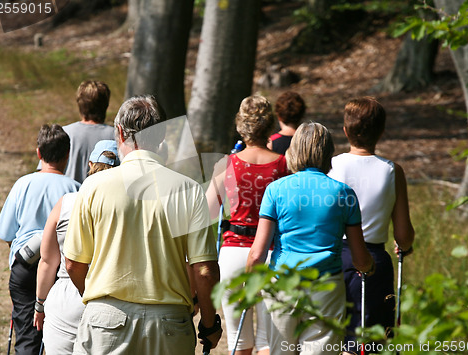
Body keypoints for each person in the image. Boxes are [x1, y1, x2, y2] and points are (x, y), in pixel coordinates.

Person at [63, 95, 222, 354]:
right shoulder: (190, 190)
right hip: (169, 324)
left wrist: (96, 299)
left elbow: (73, 263)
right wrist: (208, 323)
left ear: (119, 132)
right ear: (161, 137)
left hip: (106, 320)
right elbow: (204, 270)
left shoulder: (93, 186)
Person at [247, 122, 375, 355]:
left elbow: (257, 253)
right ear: (328, 152)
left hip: (283, 286)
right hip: (326, 289)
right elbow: (360, 258)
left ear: (294, 150)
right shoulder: (344, 193)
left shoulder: (276, 190)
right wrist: (370, 267)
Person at [328, 97, 415, 355]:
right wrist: (405, 245)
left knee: (333, 338)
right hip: (374, 259)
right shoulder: (392, 171)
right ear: (381, 132)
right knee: (370, 343)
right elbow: (403, 235)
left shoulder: (331, 166)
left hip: (335, 257)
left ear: (345, 131)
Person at [206, 95, 289, 355]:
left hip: (233, 251)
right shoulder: (283, 165)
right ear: (270, 125)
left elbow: (207, 212)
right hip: (271, 253)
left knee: (238, 341)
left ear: (241, 125)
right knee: (267, 340)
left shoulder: (227, 164)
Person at [0, 124, 80, 355]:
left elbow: (6, 234)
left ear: (39, 153)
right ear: (68, 155)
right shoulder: (76, 190)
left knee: (26, 332)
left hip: (25, 266)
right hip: (60, 270)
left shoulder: (23, 184)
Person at [33, 140, 120, 354]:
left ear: (90, 164)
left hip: (66, 299)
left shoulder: (66, 202)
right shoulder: (128, 207)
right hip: (109, 299)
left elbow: (47, 261)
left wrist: (40, 305)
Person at [38, 80, 114, 183]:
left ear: (80, 104)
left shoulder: (62, 134)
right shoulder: (117, 137)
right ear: (106, 105)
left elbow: (46, 171)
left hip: (67, 196)